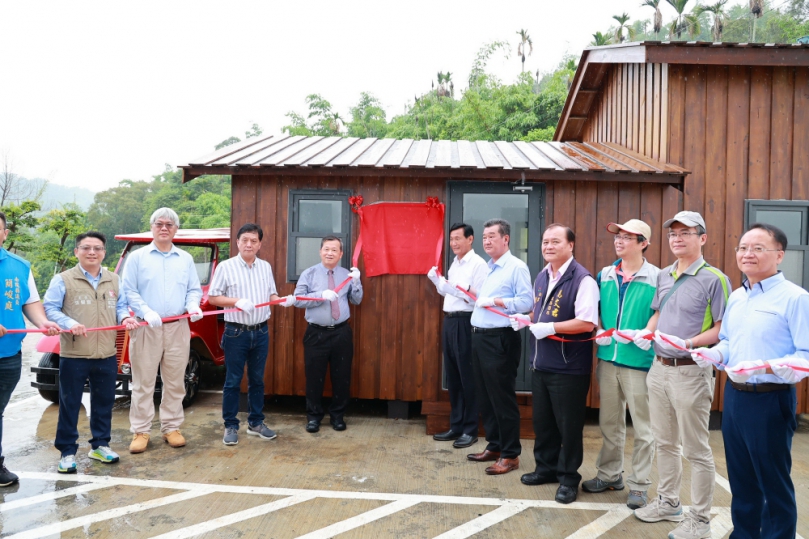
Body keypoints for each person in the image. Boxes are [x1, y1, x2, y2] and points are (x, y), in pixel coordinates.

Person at [690, 223, 808, 539]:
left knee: (772, 481)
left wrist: (768, 365)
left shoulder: (795, 298)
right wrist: (714, 354)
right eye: (742, 247)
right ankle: (743, 534)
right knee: (741, 478)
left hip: (771, 398)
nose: (747, 254)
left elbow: (805, 356)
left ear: (779, 255)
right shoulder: (739, 297)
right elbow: (728, 340)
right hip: (736, 397)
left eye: (758, 248)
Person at [632, 211, 730, 539]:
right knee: (665, 442)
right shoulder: (663, 275)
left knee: (696, 449)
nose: (677, 238)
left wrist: (688, 343)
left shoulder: (715, 278)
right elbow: (658, 313)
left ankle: (700, 520)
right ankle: (669, 502)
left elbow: (721, 328)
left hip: (691, 373)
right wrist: (646, 333)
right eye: (673, 233)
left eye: (686, 233)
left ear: (702, 238)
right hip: (658, 369)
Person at [510, 224, 598, 504]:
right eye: (545, 241)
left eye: (555, 241)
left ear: (571, 245)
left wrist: (550, 328)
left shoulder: (582, 279)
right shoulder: (541, 276)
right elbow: (538, 312)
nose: (548, 246)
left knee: (568, 427)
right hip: (542, 364)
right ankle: (545, 469)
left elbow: (587, 322)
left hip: (568, 368)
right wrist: (526, 319)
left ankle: (569, 479)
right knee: (543, 423)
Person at [43, 231, 140, 473]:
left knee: (104, 402)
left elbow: (120, 307)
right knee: (70, 403)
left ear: (104, 252)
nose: (92, 252)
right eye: (86, 248)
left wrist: (126, 317)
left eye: (97, 248)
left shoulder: (114, 280)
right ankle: (66, 451)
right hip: (74, 354)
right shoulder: (63, 279)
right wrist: (68, 323)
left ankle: (100, 445)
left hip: (106, 353)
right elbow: (50, 309)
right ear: (76, 252)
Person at [581, 219, 659, 509]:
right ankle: (610, 475)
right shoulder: (605, 274)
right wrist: (599, 329)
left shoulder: (657, 277)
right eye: (618, 236)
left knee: (644, 428)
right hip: (608, 360)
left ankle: (639, 485)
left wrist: (647, 332)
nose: (619, 241)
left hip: (639, 360)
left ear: (643, 243)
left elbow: (660, 311)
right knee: (609, 422)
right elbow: (598, 309)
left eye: (628, 237)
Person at [121, 207, 203, 453]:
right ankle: (141, 430)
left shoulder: (185, 259)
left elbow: (193, 289)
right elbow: (129, 291)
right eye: (159, 224)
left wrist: (192, 305)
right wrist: (146, 311)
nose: (164, 227)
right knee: (143, 382)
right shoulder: (137, 258)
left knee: (175, 381)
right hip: (147, 327)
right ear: (152, 227)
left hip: (178, 327)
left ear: (176, 229)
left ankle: (171, 427)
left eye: (169, 224)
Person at [208, 223, 294, 446]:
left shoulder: (265, 266)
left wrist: (285, 300)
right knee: (233, 381)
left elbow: (272, 295)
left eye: (253, 241)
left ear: (259, 244)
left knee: (257, 380)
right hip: (236, 332)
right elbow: (213, 298)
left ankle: (256, 423)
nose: (249, 244)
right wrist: (237, 301)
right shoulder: (225, 267)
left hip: (261, 331)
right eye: (244, 240)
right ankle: (230, 425)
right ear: (237, 242)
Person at [466, 219, 532, 476]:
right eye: (484, 236)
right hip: (479, 337)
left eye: (492, 236)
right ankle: (494, 446)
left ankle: (510, 454)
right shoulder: (490, 267)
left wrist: (495, 300)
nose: (486, 240)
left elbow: (526, 301)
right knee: (485, 395)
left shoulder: (516, 267)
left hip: (500, 338)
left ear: (506, 239)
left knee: (502, 397)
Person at [0, 211, 60, 486]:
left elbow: (31, 304)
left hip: (8, 353)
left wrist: (44, 322)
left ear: (5, 233)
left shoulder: (20, 266)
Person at [427, 223, 488, 449]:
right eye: (451, 239)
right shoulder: (455, 262)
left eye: (458, 239)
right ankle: (456, 425)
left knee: (467, 377)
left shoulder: (479, 264)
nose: (454, 243)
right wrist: (438, 283)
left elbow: (475, 298)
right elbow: (450, 291)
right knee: (453, 376)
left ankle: (470, 430)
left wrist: (451, 287)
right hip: (450, 320)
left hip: (466, 321)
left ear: (470, 239)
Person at [293, 236, 362, 433]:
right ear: (320, 251)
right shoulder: (309, 273)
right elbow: (298, 300)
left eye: (334, 250)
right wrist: (319, 296)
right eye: (326, 249)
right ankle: (314, 417)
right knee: (314, 377)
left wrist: (356, 282)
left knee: (342, 377)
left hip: (341, 333)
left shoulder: (347, 274)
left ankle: (338, 416)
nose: (330, 253)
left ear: (341, 254)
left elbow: (356, 300)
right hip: (316, 334)